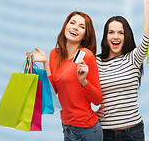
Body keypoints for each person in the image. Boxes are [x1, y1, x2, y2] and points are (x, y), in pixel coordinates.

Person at [27, 11, 103, 141]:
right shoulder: (55, 54)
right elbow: (53, 91)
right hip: (67, 127)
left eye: (81, 26)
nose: (75, 27)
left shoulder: (86, 55)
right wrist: (45, 63)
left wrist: (83, 81)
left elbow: (97, 99)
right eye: (72, 23)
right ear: (65, 26)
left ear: (85, 35)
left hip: (87, 130)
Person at [96, 0, 149, 141]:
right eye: (111, 32)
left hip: (133, 132)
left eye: (121, 32)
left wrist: (146, 4)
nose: (116, 36)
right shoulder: (95, 62)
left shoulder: (133, 58)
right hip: (105, 133)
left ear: (126, 36)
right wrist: (91, 111)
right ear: (106, 37)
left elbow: (147, 37)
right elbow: (82, 91)